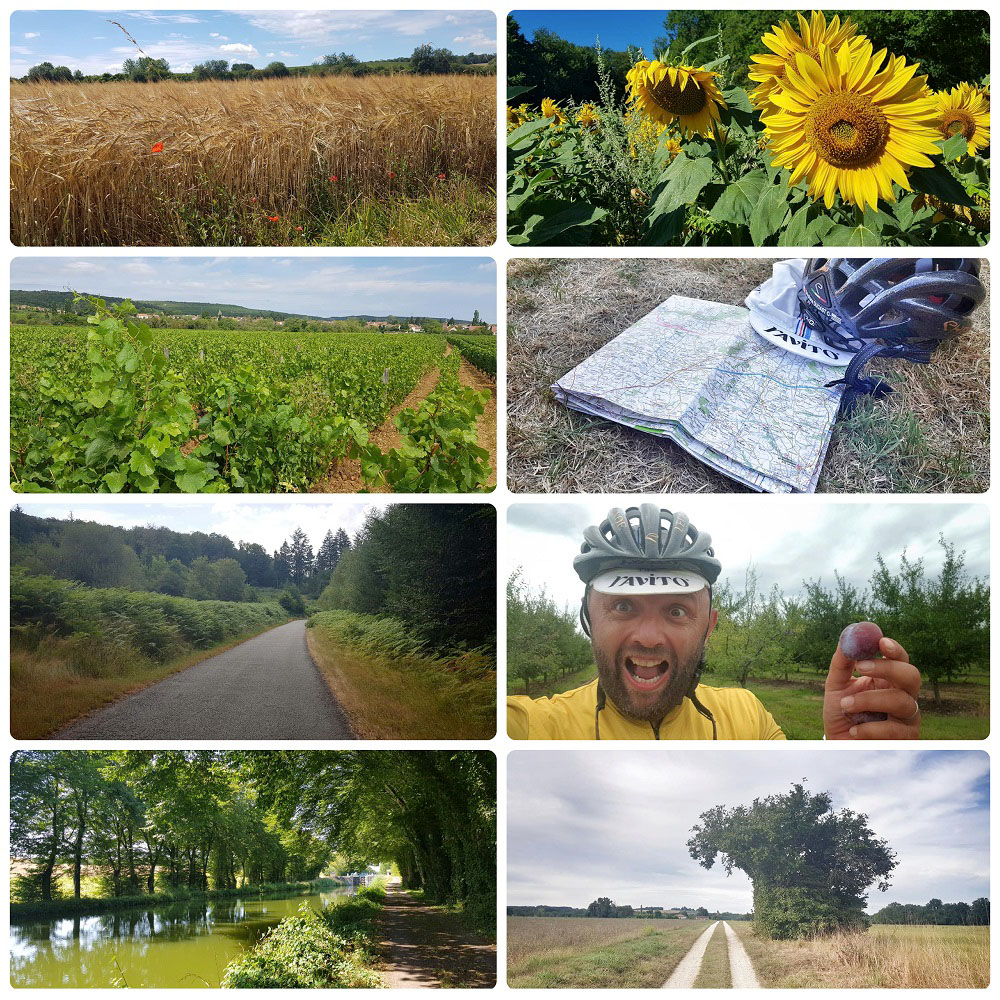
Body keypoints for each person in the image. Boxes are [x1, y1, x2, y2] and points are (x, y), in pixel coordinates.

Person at [507, 505, 921, 740]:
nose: (649, 637)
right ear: (588, 619)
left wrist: (841, 744)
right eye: (622, 607)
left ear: (710, 627)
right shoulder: (532, 727)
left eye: (676, 611)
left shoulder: (747, 715)